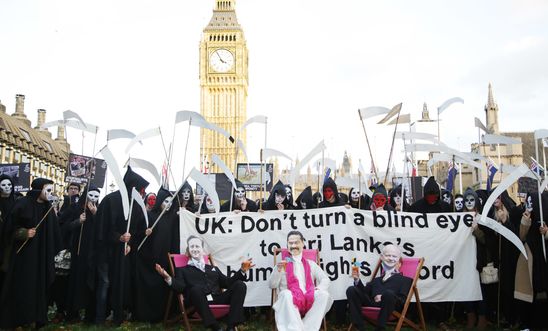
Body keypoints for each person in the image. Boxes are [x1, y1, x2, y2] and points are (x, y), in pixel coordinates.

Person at [0, 178, 62, 329]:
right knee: (22, 286)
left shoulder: (48, 208)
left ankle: (36, 318)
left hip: (41, 257)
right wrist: (23, 232)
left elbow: (55, 233)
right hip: (23, 257)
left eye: (51, 191)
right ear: (38, 190)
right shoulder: (22, 204)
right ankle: (17, 319)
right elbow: (8, 230)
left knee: (38, 287)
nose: (50, 194)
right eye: (47, 190)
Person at [155, 235, 253, 331]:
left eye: (197, 246)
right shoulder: (182, 270)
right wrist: (167, 277)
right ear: (188, 250)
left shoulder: (213, 268)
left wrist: (242, 271)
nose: (195, 249)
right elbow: (180, 287)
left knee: (240, 285)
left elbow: (227, 283)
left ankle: (231, 326)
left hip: (217, 298)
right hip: (197, 301)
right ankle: (215, 326)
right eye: (191, 246)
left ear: (202, 250)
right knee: (195, 289)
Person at [269, 230, 333, 331]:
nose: (293, 245)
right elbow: (272, 285)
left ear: (303, 243)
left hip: (308, 297)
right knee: (286, 294)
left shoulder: (311, 263)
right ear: (287, 244)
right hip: (290, 300)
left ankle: (307, 328)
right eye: (290, 243)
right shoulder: (282, 264)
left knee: (324, 295)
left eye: (296, 242)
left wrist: (318, 288)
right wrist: (277, 270)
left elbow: (325, 279)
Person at [346, 244, 412, 331]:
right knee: (351, 290)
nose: (391, 259)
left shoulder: (406, 280)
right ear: (382, 258)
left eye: (394, 257)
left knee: (388, 294)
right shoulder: (376, 280)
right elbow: (364, 293)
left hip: (390, 306)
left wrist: (384, 296)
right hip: (373, 303)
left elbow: (402, 301)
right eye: (388, 256)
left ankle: (380, 328)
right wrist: (357, 280)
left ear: (399, 264)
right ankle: (359, 327)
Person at [64, 185, 100, 322]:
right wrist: (78, 221)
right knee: (76, 281)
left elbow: (103, 229)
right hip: (78, 251)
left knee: (91, 281)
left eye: (96, 196)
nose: (93, 199)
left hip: (93, 252)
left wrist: (96, 214)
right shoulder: (75, 208)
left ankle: (90, 315)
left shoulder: (99, 210)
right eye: (91, 195)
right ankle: (73, 313)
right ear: (85, 195)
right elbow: (64, 225)